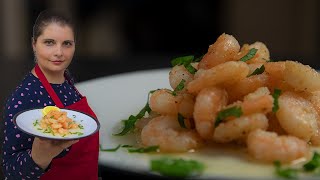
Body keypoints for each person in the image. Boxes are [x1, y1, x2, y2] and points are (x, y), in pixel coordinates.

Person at [1, 9, 99, 180]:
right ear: (34, 44)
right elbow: (10, 171)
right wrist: (38, 157)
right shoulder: (23, 97)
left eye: (67, 43)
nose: (59, 52)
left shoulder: (67, 80)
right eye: (49, 42)